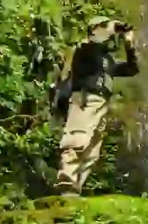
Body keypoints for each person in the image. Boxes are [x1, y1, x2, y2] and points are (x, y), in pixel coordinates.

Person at [52, 17, 139, 196]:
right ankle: (67, 183)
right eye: (105, 28)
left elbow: (132, 69)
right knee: (77, 139)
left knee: (92, 150)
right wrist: (111, 28)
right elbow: (93, 42)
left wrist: (129, 44)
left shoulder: (108, 60)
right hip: (85, 99)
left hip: (101, 104)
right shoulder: (85, 50)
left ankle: (75, 188)